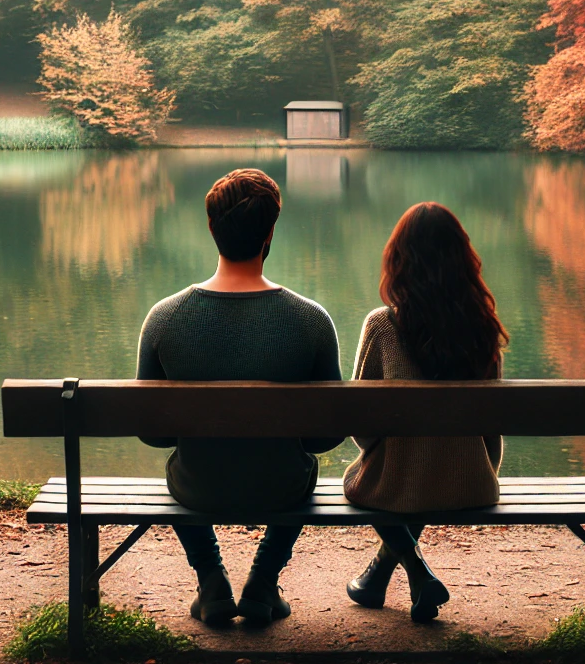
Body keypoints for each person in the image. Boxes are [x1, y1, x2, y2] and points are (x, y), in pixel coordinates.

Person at [135, 168, 344, 627]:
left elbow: (152, 435)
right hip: (282, 486)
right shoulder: (312, 320)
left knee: (181, 463)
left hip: (197, 485)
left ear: (212, 229)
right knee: (302, 465)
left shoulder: (164, 318)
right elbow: (323, 440)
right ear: (271, 232)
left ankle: (211, 580)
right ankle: (263, 580)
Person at [342, 202, 507, 622]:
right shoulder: (483, 326)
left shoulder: (382, 325)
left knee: (373, 479)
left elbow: (361, 428)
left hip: (400, 483)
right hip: (472, 483)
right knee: (413, 476)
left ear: (398, 262)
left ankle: (417, 572)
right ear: (462, 261)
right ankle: (376, 578)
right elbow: (493, 423)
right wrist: (482, 466)